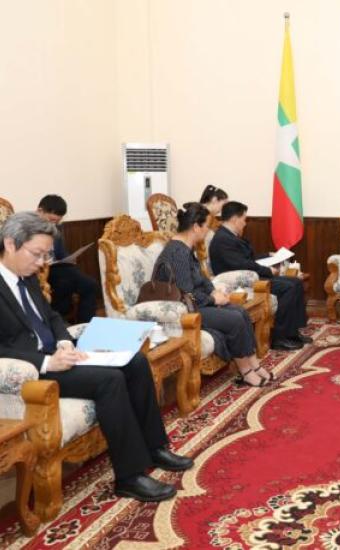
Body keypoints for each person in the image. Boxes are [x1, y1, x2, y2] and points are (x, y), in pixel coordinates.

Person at [0, 212, 192, 502]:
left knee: (135, 361)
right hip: (31, 370)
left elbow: (52, 316)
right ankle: (129, 477)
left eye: (46, 255)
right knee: (109, 380)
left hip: (58, 356)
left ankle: (155, 448)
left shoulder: (25, 277)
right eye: (37, 254)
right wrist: (47, 362)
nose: (42, 263)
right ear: (10, 244)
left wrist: (64, 342)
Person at [153, 203, 273, 386]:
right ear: (196, 227)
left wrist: (213, 290)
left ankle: (254, 364)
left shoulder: (186, 247)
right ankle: (246, 371)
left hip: (197, 303)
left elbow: (201, 277)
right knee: (235, 320)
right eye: (206, 226)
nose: (207, 230)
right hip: (186, 310)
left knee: (240, 312)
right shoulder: (177, 252)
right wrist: (212, 299)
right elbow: (187, 294)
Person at [209, 201, 309, 350]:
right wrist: (268, 271)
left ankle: (292, 333)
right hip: (240, 283)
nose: (245, 223)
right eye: (244, 219)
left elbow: (247, 259)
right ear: (235, 219)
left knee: (295, 282)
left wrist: (268, 255)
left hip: (250, 276)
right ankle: (280, 337)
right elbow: (242, 265)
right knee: (289, 287)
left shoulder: (230, 236)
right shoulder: (222, 240)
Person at [37, 195, 99, 323]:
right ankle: (57, 321)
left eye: (57, 222)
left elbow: (61, 253)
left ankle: (85, 326)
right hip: (37, 271)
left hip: (57, 268)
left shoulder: (55, 228)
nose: (53, 224)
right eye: (51, 220)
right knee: (64, 284)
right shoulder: (26, 229)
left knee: (90, 285)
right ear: (40, 211)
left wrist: (69, 258)